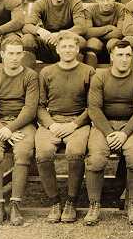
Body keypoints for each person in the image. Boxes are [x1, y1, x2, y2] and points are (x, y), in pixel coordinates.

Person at [34, 32, 95, 224]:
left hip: (77, 122)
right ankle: (54, 201)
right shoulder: (47, 72)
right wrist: (51, 124)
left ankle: (71, 201)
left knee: (75, 152)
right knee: (43, 153)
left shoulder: (88, 71)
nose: (68, 50)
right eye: (64, 47)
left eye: (71, 47)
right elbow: (40, 105)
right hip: (52, 121)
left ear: (77, 50)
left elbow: (93, 106)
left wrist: (74, 124)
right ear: (57, 49)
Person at [86, 41, 133, 225]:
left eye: (128, 55)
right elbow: (94, 109)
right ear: (112, 57)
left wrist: (125, 133)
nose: (124, 59)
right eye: (119, 55)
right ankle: (94, 204)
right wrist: (108, 132)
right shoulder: (100, 77)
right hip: (104, 125)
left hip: (131, 126)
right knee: (96, 159)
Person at [0, 35, 39, 226]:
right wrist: (2, 129)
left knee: (23, 151)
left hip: (22, 124)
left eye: (18, 53)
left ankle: (15, 205)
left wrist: (11, 129)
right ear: (3, 54)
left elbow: (30, 109)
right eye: (10, 53)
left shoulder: (30, 76)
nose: (14, 57)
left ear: (23, 55)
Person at [21, 0, 87, 68]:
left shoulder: (75, 3)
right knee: (27, 39)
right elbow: (27, 26)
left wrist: (60, 34)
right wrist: (41, 31)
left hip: (67, 42)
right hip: (49, 42)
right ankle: (27, 76)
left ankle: (74, 75)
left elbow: (81, 27)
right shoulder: (40, 3)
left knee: (81, 42)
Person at [83, 0, 126, 68]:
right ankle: (90, 78)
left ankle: (114, 78)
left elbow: (120, 32)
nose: (106, 3)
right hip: (96, 42)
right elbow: (87, 32)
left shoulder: (121, 8)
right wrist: (109, 28)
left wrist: (96, 32)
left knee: (114, 43)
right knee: (92, 43)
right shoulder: (89, 10)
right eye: (102, 0)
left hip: (113, 41)